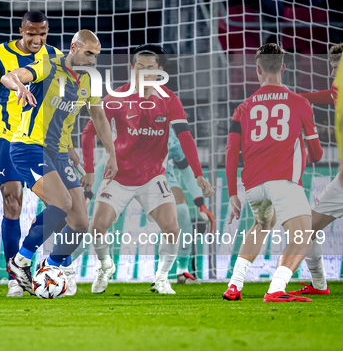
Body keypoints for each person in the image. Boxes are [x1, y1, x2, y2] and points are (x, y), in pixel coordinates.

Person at [80, 44, 212, 295]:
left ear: (160, 71)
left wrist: (199, 175)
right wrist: (89, 168)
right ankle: (106, 266)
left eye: (151, 68)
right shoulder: (116, 97)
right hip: (118, 176)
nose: (144, 73)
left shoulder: (170, 100)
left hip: (153, 177)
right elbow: (88, 131)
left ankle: (163, 278)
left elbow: (185, 137)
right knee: (97, 227)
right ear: (132, 69)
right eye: (139, 67)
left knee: (173, 227)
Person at [0, 30, 118, 295]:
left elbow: (98, 116)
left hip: (60, 153)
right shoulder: (49, 66)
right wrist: (18, 86)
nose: (92, 60)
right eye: (88, 53)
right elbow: (11, 76)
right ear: (74, 47)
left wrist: (112, 154)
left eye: (96, 56)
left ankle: (50, 267)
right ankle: (20, 262)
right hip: (29, 146)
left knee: (79, 223)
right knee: (61, 203)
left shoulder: (89, 80)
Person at [0, 11, 71, 297]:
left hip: (42, 139)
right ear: (21, 31)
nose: (36, 40)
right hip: (6, 137)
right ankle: (15, 276)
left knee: (60, 205)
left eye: (42, 34)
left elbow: (62, 102)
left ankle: (53, 265)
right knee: (12, 201)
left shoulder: (55, 56)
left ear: (47, 32)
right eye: (30, 34)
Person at [223, 43, 323, 302]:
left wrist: (233, 194)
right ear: (283, 67)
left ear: (258, 69)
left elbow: (232, 151)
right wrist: (308, 151)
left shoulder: (242, 108)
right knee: (303, 236)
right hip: (284, 181)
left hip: (254, 185)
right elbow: (318, 153)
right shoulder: (300, 103)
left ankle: (234, 285)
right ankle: (276, 289)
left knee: (261, 224)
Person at [82, 123, 214, 285]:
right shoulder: (126, 132)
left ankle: (182, 271)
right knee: (98, 222)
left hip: (158, 177)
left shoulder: (169, 137)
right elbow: (103, 164)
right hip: (123, 177)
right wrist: (87, 195)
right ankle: (76, 265)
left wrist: (200, 203)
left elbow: (185, 167)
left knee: (182, 212)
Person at [287, 43, 342, 296]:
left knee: (305, 229)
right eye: (331, 66)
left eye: (337, 66)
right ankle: (319, 284)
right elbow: (326, 95)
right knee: (306, 229)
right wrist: (295, 99)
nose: (333, 71)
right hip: (341, 182)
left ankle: (319, 284)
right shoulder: (337, 91)